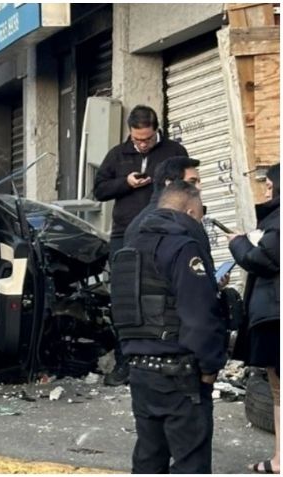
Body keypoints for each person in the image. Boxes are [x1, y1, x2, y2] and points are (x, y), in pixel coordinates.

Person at [111, 180, 227, 473]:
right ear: (189, 210)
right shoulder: (183, 246)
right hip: (181, 373)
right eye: (200, 215)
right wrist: (210, 367)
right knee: (191, 462)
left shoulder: (129, 248)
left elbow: (122, 310)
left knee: (149, 458)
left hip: (140, 370)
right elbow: (200, 316)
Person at [94, 106, 189, 386]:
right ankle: (126, 362)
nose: (142, 144)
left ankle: (168, 355)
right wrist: (126, 182)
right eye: (137, 139)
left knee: (163, 294)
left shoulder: (174, 151)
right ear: (130, 132)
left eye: (147, 139)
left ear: (156, 130)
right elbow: (99, 190)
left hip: (164, 232)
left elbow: (188, 187)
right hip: (125, 234)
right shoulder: (118, 154)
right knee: (125, 297)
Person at [228, 163, 280, 474]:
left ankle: (280, 461)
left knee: (278, 389)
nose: (267, 190)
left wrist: (239, 242)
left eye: (271, 185)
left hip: (276, 315)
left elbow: (265, 260)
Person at [123, 156, 201, 245]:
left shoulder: (138, 222)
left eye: (199, 182)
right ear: (170, 184)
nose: (199, 188)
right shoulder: (180, 219)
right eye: (192, 182)